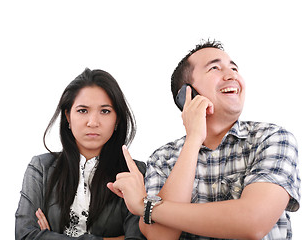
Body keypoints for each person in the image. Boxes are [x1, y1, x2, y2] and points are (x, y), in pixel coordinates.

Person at [108, 40, 301, 239]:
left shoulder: (271, 138)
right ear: (186, 94)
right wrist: (193, 139)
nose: (231, 75)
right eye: (215, 68)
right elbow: (160, 236)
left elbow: (253, 221)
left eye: (234, 68)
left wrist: (146, 207)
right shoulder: (162, 158)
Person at [15, 68, 147, 240]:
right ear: (68, 117)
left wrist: (48, 236)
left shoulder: (135, 172)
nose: (93, 122)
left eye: (105, 111)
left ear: (117, 119)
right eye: (83, 110)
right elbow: (24, 236)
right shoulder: (41, 168)